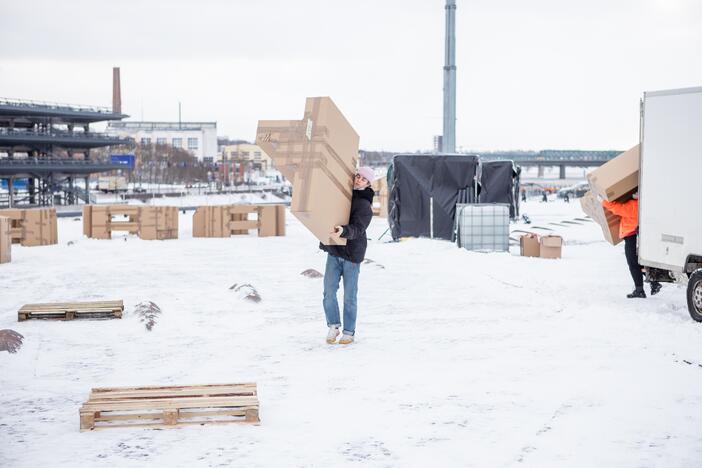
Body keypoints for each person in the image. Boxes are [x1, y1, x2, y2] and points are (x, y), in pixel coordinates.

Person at [319, 166, 375, 345]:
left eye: (363, 179)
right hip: (334, 250)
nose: (358, 180)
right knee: (328, 291)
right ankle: (333, 325)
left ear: (368, 183)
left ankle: (349, 332)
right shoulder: (341, 195)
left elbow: (358, 229)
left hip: (351, 254)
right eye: (357, 176)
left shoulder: (364, 205)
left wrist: (343, 230)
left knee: (349, 295)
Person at [602, 193, 661, 298]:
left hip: (631, 236)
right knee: (640, 263)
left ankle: (640, 290)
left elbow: (616, 208)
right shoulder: (644, 204)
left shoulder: (633, 205)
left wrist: (603, 200)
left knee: (633, 264)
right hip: (639, 236)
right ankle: (653, 283)